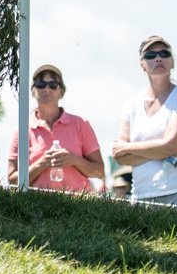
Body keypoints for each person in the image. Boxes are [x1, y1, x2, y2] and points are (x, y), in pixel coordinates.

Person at [113, 34, 177, 208]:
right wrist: (163, 149)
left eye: (164, 53)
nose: (158, 58)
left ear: (172, 62)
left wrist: (128, 148)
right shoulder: (131, 104)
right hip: (142, 196)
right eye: (150, 55)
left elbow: (170, 146)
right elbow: (120, 158)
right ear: (142, 64)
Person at [6, 63, 105, 193]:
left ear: (61, 91)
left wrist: (74, 160)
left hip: (77, 202)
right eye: (41, 84)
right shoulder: (21, 131)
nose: (47, 89)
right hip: (35, 202)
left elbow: (99, 171)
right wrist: (41, 164)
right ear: (33, 91)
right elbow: (12, 181)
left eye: (53, 85)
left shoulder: (81, 124)